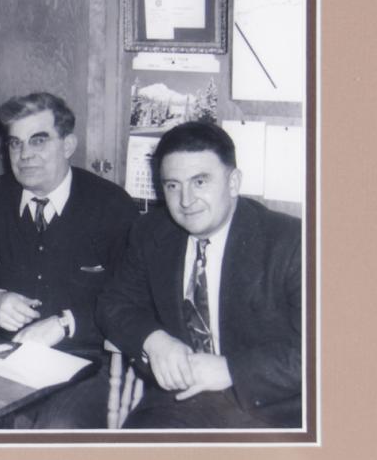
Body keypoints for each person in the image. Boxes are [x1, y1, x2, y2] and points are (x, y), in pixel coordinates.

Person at [99, 121, 302, 429]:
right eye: (172, 185)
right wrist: (153, 340)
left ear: (233, 183)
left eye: (200, 181)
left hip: (267, 408)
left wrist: (232, 369)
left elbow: (326, 349)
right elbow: (113, 304)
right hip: (176, 402)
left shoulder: (290, 241)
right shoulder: (152, 231)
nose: (185, 200)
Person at [0, 92, 137, 427]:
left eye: (39, 141)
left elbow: (132, 301)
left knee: (53, 432)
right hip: (2, 357)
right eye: (15, 143)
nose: (25, 155)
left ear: (68, 145)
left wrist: (66, 323)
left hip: (87, 364)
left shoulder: (112, 207)